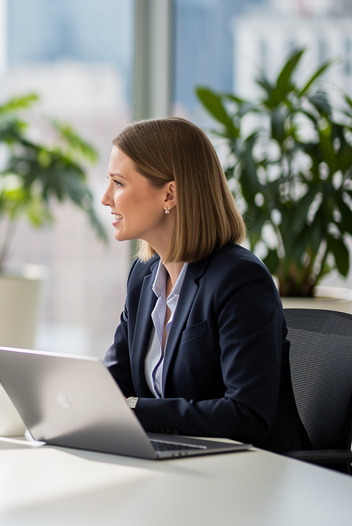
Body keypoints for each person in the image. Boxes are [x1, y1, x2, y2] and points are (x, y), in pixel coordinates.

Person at [101, 117, 309, 452]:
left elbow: (246, 415)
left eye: (118, 183)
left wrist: (135, 409)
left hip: (257, 474)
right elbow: (115, 382)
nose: (106, 198)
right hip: (182, 462)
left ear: (170, 194)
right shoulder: (143, 277)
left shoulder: (240, 280)